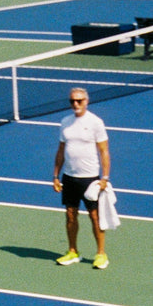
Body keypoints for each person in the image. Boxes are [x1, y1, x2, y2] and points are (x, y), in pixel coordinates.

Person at [52, 87, 111, 270]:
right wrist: (55, 175)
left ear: (86, 101)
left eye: (79, 101)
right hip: (69, 177)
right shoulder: (65, 122)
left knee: (95, 216)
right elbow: (61, 150)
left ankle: (101, 254)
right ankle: (72, 251)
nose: (75, 104)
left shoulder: (96, 122)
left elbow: (104, 151)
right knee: (70, 215)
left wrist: (105, 177)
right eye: (72, 101)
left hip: (90, 178)